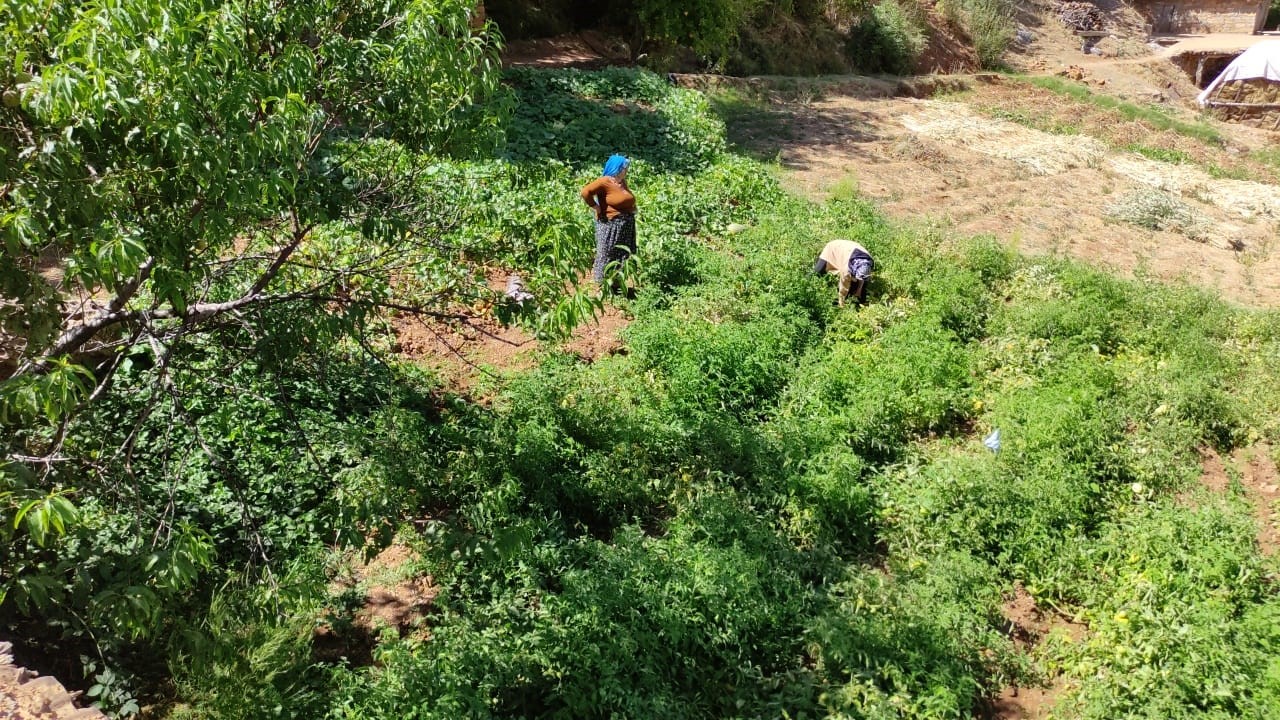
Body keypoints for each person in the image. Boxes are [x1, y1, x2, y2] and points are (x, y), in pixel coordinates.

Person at [580, 154, 637, 287]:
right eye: (624, 168)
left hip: (625, 225)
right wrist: (596, 207)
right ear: (617, 168)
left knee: (622, 254)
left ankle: (615, 282)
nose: (626, 171)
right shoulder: (604, 181)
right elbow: (585, 192)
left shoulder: (622, 182)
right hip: (610, 225)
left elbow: (627, 197)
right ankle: (601, 284)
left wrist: (632, 207)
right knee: (606, 253)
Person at [813, 239, 874, 306]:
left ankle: (856, 295)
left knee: (856, 287)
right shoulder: (847, 269)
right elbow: (843, 288)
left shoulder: (869, 263)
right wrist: (841, 302)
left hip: (849, 250)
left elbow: (862, 278)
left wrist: (859, 291)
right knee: (817, 273)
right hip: (834, 248)